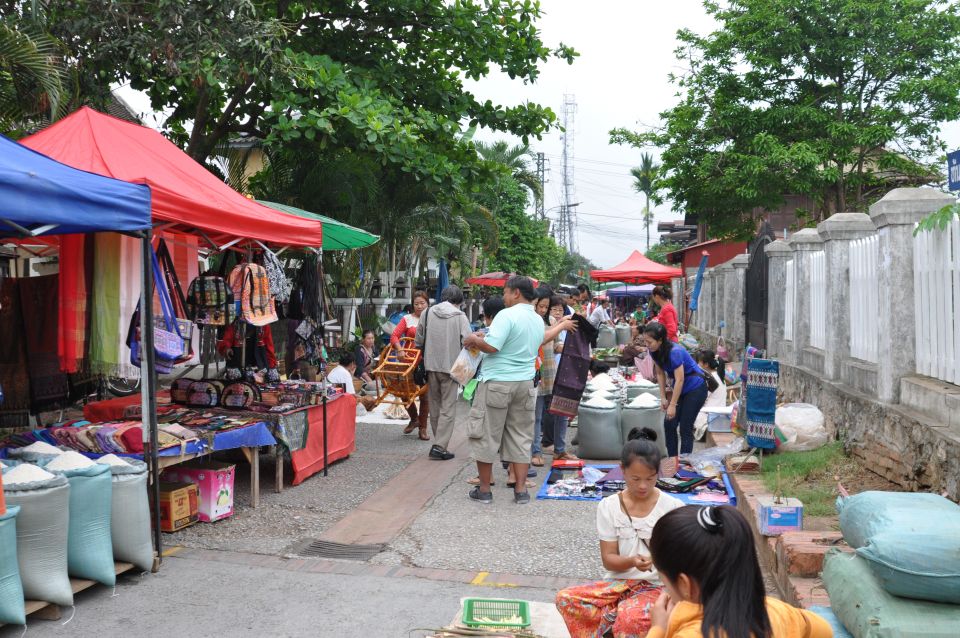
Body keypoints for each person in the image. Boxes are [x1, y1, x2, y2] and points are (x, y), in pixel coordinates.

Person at [556, 428, 685, 637]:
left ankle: (615, 623)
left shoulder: (673, 507)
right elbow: (609, 560)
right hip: (617, 584)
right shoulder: (608, 506)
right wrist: (633, 561)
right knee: (566, 598)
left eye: (650, 479)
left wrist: (657, 559)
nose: (643, 486)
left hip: (656, 586)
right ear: (622, 471)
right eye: (635, 479)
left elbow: (683, 559)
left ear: (658, 473)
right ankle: (609, 627)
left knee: (629, 618)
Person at [647, 505, 832, 638]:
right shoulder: (777, 611)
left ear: (684, 584)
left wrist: (658, 629)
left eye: (663, 580)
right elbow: (824, 630)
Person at [462, 275, 545, 505]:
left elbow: (492, 346)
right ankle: (520, 491)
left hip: (498, 382)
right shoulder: (537, 319)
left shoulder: (506, 315)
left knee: (486, 435)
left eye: (506, 293)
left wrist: (474, 339)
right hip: (526, 384)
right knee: (520, 436)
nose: (504, 298)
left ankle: (485, 490)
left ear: (516, 293)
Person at [642, 322, 709, 473]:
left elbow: (679, 379)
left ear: (660, 340)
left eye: (649, 342)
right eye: (645, 341)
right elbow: (659, 373)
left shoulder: (675, 352)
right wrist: (663, 397)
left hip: (696, 388)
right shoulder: (654, 351)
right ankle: (673, 461)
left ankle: (685, 464)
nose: (647, 345)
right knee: (669, 424)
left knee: (685, 426)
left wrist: (672, 405)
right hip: (682, 390)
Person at [415, 284, 472, 461]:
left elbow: (419, 340)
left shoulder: (427, 312)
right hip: (452, 368)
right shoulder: (460, 316)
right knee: (448, 407)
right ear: (458, 301)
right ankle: (439, 446)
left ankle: (437, 443)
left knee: (435, 405)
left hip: (431, 366)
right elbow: (468, 342)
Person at [543, 295, 578, 461]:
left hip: (561, 372)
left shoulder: (564, 323)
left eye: (559, 310)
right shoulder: (545, 322)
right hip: (545, 373)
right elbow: (545, 340)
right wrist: (561, 325)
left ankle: (560, 449)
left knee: (562, 412)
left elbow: (557, 346)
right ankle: (538, 449)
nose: (556, 312)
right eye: (552, 309)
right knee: (540, 415)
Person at [391, 291, 431, 439]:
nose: (419, 306)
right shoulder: (407, 319)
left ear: (428, 304)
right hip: (407, 360)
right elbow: (394, 336)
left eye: (422, 303)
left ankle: (423, 428)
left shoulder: (433, 319)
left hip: (426, 361)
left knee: (425, 395)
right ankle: (414, 419)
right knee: (405, 392)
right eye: (416, 304)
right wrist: (399, 349)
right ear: (412, 305)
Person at [693, 350, 727, 441]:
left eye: (699, 362)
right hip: (721, 415)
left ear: (706, 364)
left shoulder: (709, 379)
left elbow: (700, 399)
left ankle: (703, 431)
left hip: (710, 415)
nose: (697, 365)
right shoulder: (720, 375)